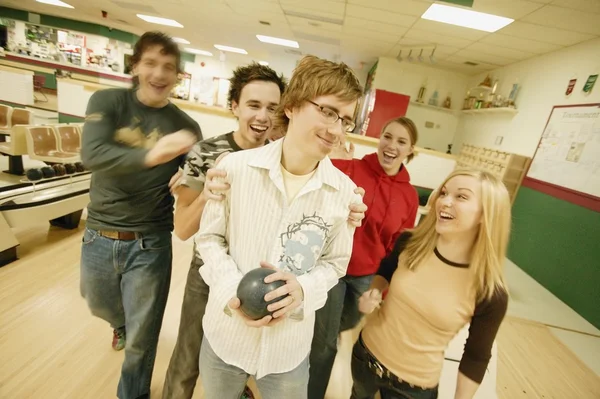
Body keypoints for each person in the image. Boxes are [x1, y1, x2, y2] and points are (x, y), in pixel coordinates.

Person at [194, 55, 364, 399]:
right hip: (225, 335)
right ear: (293, 106)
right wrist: (235, 292)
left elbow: (335, 264)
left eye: (345, 120)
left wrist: (302, 290)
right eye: (328, 111)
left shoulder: (344, 192)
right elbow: (209, 239)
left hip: (288, 349)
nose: (336, 129)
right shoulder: (235, 168)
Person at [79, 31, 202, 399]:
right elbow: (93, 153)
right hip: (99, 232)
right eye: (150, 63)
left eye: (168, 67)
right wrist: (154, 154)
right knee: (96, 301)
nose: (159, 73)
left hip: (150, 242)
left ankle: (132, 394)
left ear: (178, 75)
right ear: (135, 66)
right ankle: (119, 323)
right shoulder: (108, 100)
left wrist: (187, 179)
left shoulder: (187, 128)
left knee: (142, 338)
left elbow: (192, 184)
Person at [161, 62, 286, 399]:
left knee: (241, 364)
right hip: (207, 276)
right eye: (253, 105)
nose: (262, 116)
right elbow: (183, 229)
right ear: (235, 106)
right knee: (187, 360)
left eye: (272, 108)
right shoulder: (206, 153)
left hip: (256, 279)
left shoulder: (284, 159)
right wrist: (207, 193)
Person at [352, 168, 511, 399]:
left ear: (487, 214)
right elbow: (386, 270)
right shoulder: (410, 243)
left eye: (461, 196)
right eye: (444, 193)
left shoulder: (490, 292)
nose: (444, 202)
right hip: (365, 358)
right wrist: (374, 292)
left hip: (411, 388)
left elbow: (476, 356)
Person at [308, 116, 421, 398]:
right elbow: (314, 173)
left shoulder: (409, 195)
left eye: (401, 141)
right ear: (379, 138)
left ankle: (320, 330)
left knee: (343, 326)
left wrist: (386, 288)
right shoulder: (352, 168)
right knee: (325, 346)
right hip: (332, 268)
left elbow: (400, 245)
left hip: (367, 276)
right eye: (387, 136)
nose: (391, 145)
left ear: (411, 149)